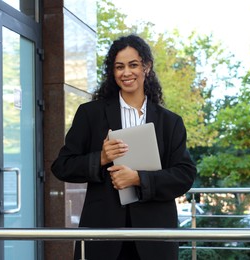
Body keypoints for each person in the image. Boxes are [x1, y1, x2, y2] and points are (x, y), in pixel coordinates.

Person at [51, 34, 196, 260]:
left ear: (146, 67)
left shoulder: (170, 122)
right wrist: (100, 157)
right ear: (113, 71)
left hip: (154, 236)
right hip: (103, 233)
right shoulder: (91, 114)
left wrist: (139, 179)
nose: (126, 72)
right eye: (119, 67)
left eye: (133, 65)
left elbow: (185, 175)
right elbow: (62, 166)